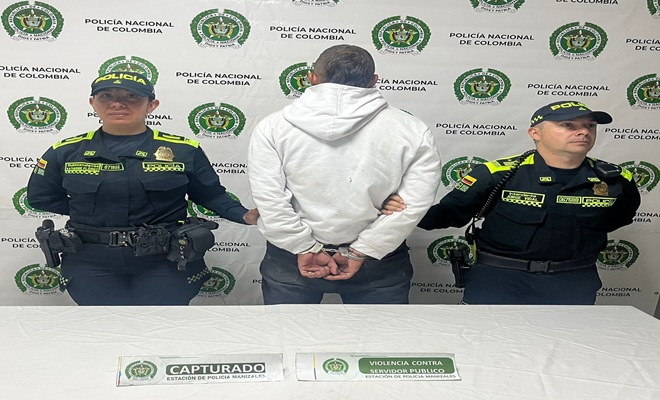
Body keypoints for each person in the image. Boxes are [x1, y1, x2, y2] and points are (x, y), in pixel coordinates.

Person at [27, 71, 258, 306]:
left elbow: (211, 195)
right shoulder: (65, 151)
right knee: (101, 324)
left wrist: (244, 215)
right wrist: (90, 210)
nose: (117, 103)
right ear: (92, 103)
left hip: (166, 261)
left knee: (162, 324)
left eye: (131, 96)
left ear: (152, 105)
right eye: (106, 96)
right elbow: (40, 197)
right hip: (90, 261)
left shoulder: (183, 150)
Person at [384, 100, 641, 305]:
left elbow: (619, 218)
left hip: (573, 281)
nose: (583, 131)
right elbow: (448, 214)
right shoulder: (497, 174)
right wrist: (396, 209)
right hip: (499, 279)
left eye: (590, 126)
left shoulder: (617, 179)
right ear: (535, 133)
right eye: (568, 125)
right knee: (483, 346)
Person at [247, 44, 442, 304]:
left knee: (287, 331)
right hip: (377, 258)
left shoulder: (272, 127)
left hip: (292, 257)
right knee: (381, 333)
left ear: (312, 78)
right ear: (374, 81)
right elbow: (413, 203)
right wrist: (362, 250)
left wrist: (304, 247)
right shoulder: (411, 129)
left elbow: (269, 199)